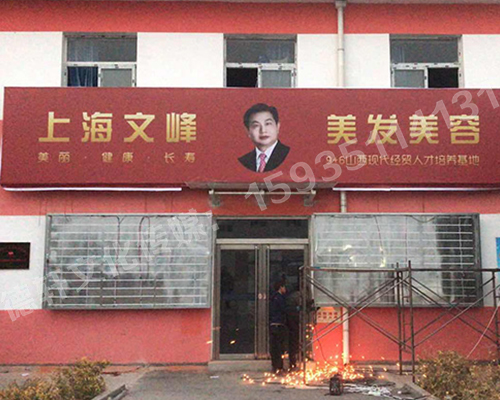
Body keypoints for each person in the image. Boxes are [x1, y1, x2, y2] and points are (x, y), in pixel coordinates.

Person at [238, 103, 290, 173]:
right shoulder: (244, 161)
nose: (263, 131)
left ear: (277, 127)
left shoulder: (289, 155)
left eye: (268, 124)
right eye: (256, 125)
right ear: (248, 131)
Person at [269, 279, 287, 374]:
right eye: (284, 287)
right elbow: (283, 310)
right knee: (279, 347)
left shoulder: (272, 298)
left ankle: (274, 366)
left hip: (272, 324)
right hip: (279, 324)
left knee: (274, 347)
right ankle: (279, 367)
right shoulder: (280, 298)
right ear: (281, 287)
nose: (285, 289)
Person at [285, 289, 301, 371]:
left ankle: (293, 363)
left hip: (292, 329)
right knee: (293, 346)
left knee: (293, 346)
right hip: (293, 330)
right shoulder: (292, 310)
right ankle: (292, 364)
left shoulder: (290, 308)